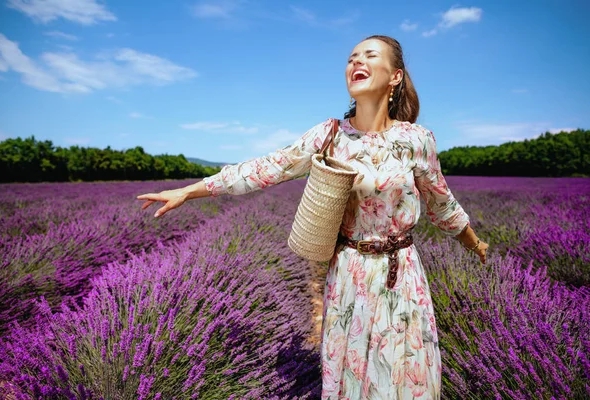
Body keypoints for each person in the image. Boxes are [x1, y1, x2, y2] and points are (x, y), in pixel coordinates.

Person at [137, 35, 488, 400]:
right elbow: (265, 168)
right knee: (353, 381)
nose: (356, 62)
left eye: (369, 55)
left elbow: (441, 202)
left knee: (402, 378)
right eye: (352, 58)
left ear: (395, 77)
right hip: (350, 273)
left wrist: (474, 242)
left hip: (401, 276)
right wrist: (190, 190)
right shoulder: (330, 135)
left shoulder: (417, 140)